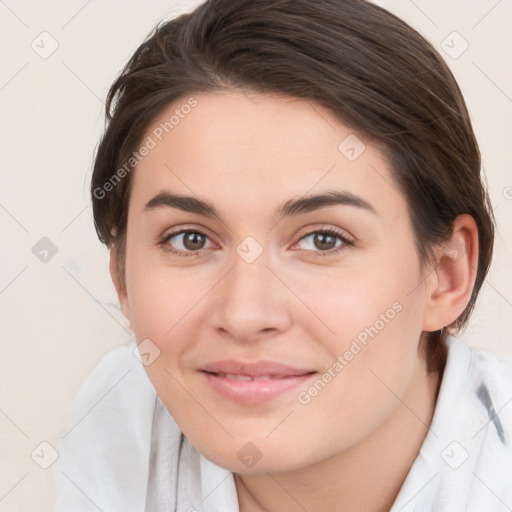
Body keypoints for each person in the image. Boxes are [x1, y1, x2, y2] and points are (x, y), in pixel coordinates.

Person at [53, 0, 512, 510]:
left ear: (447, 275)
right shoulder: (114, 431)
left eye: (323, 240)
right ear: (121, 274)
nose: (244, 315)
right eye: (190, 239)